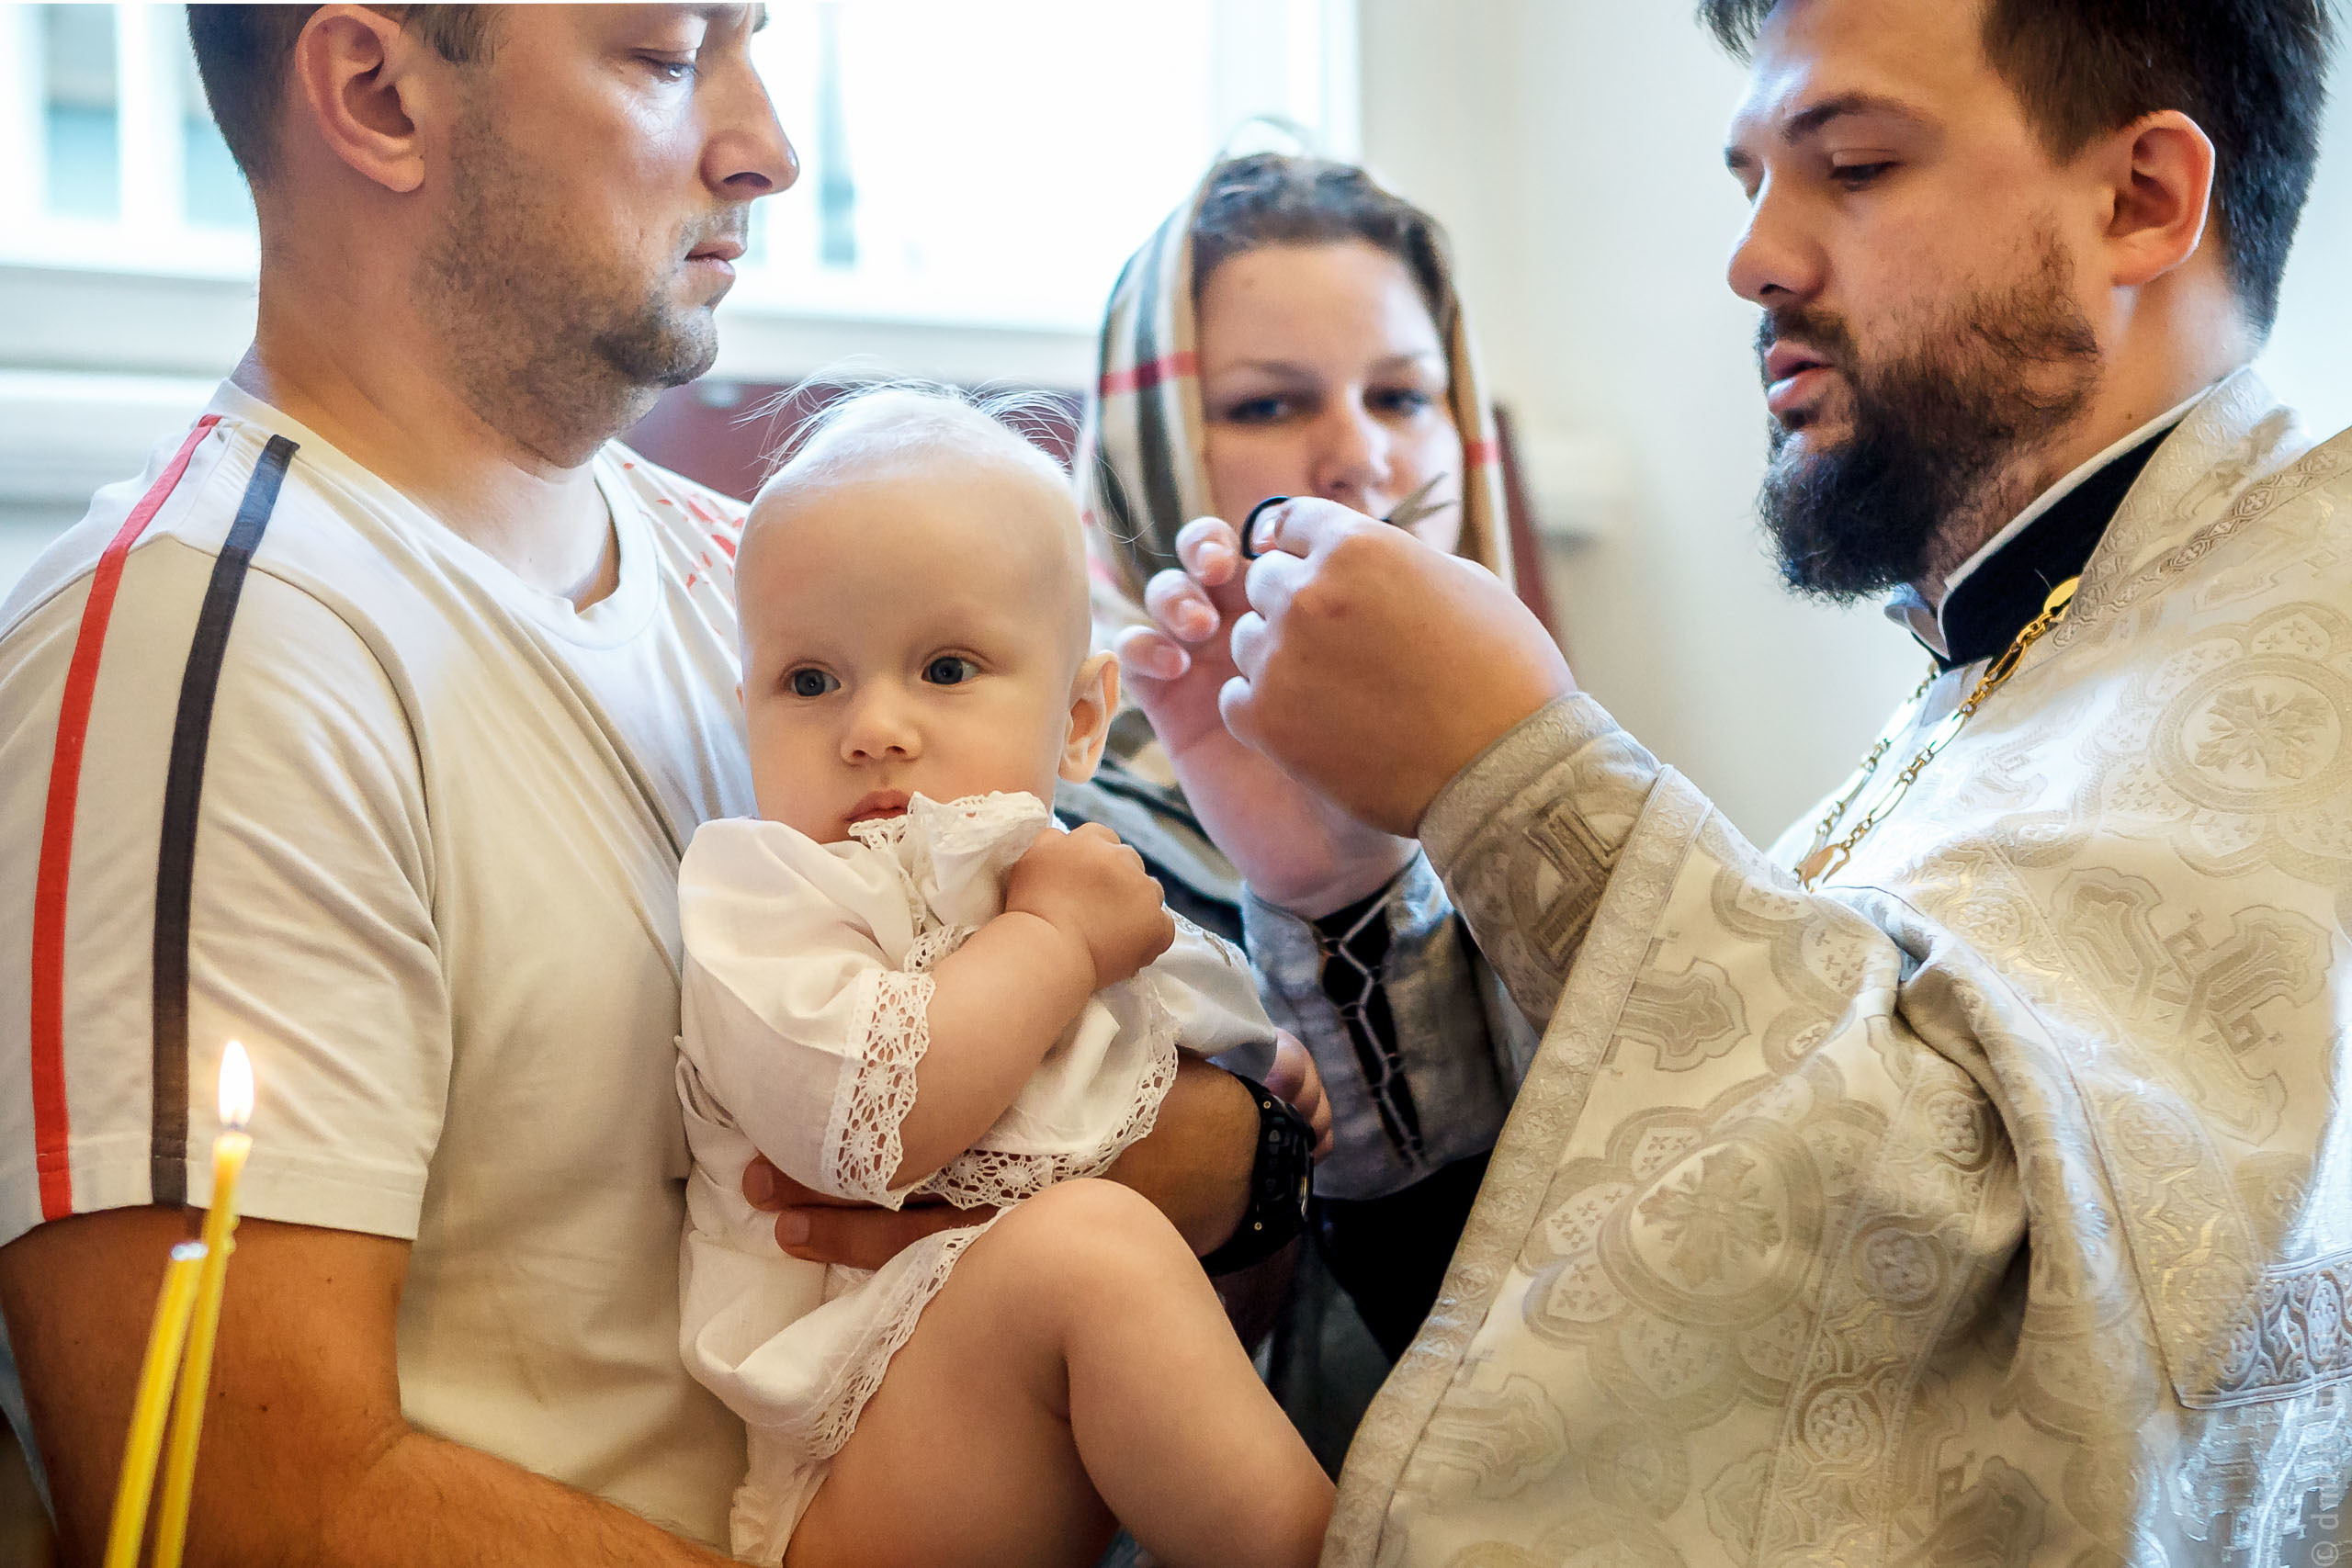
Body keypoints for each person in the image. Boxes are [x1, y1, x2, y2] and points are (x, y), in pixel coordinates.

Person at [0, 8, 1280, 1564]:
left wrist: (1235, 1162)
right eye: (670, 54)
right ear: (379, 95)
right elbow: (242, 1507)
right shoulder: (209, 655)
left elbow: (1199, 1104)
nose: (770, 151)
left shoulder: (789, 592)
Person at [1197, 1, 2350, 1564]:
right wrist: (1341, 889)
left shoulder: (2309, 632)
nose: (1753, 258)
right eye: (1751, 180)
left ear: (2141, 200)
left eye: (1854, 165)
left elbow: (2012, 1310)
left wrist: (1519, 773)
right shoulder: (2027, 644)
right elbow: (1655, 1282)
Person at [673, 386, 1330, 1568]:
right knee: (1087, 1249)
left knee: (1092, 1253)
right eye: (809, 681)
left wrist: (1264, 1066)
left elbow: (1177, 1016)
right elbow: (877, 1128)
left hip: (1019, 1426)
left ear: (1079, 720)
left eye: (945, 667)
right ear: (745, 714)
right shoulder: (770, 897)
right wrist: (1058, 945)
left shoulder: (1053, 867)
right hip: (848, 1463)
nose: (872, 727)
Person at [1063, 152, 1539, 1360]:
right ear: (1147, 445)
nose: (1358, 458)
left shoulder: (1566, 777)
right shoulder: (1049, 833)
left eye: (1403, 395)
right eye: (1270, 406)